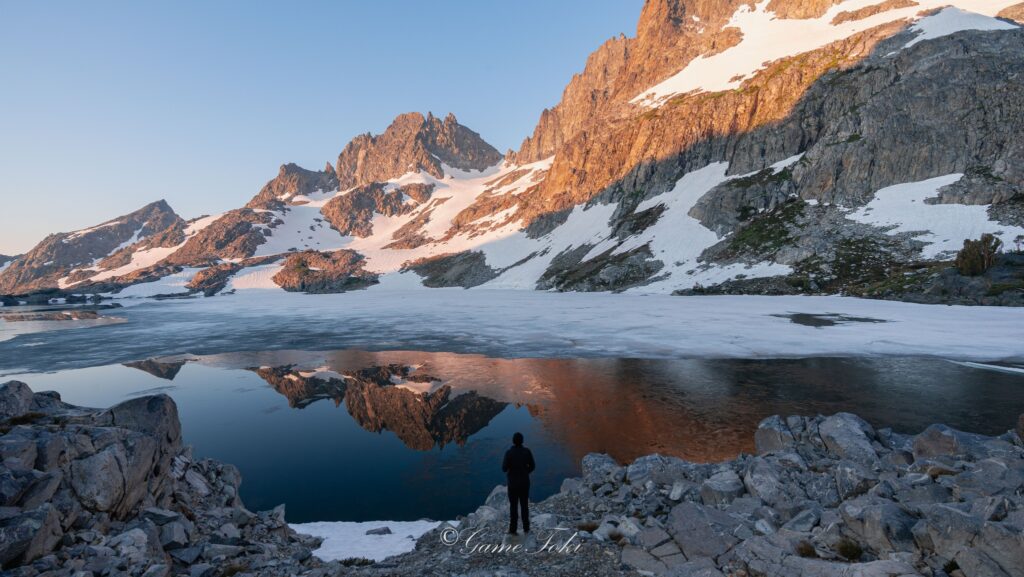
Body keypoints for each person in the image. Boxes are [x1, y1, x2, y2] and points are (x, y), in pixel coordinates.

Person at [502, 432, 535, 535]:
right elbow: (533, 466)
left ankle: (513, 529)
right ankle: (526, 528)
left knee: (513, 507)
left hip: (513, 485)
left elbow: (504, 468)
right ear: (522, 441)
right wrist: (526, 472)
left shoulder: (509, 453)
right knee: (524, 506)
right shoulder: (527, 451)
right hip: (524, 483)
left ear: (513, 441)